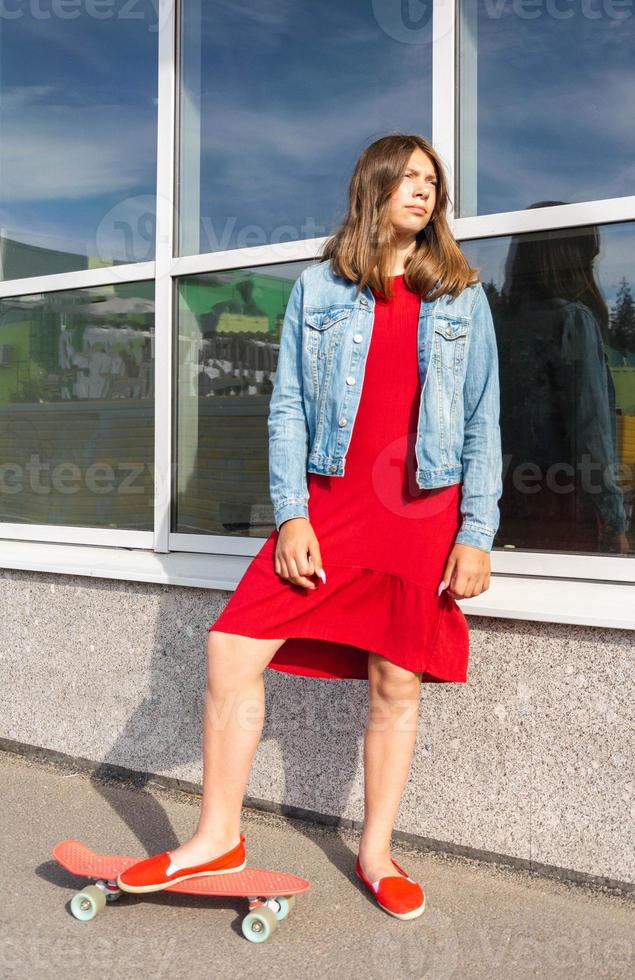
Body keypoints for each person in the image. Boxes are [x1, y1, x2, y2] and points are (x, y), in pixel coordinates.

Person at [116, 134, 503, 921]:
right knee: (231, 646)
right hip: (328, 506)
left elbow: (481, 423)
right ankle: (217, 835)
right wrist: (292, 512)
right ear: (374, 188)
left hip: (419, 512)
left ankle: (376, 853)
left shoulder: (460, 293)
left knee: (395, 682)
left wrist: (475, 531)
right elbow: (287, 406)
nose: (422, 192)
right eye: (408, 179)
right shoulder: (319, 290)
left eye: (432, 181)